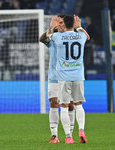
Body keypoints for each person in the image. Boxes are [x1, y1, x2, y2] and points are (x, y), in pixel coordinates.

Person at [50, 15, 90, 144]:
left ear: (63, 24)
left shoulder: (57, 37)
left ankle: (68, 136)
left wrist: (53, 27)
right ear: (74, 23)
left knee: (65, 107)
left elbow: (47, 37)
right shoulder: (81, 36)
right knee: (79, 105)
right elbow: (87, 37)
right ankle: (82, 130)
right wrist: (79, 28)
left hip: (64, 77)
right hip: (78, 76)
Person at [39, 15, 75, 143]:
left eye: (62, 23)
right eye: (59, 23)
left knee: (70, 105)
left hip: (69, 77)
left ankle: (69, 134)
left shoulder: (72, 37)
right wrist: (50, 27)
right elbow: (42, 39)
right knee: (54, 103)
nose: (60, 25)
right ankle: (54, 135)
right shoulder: (53, 38)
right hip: (54, 77)